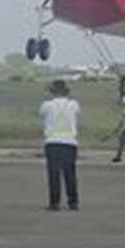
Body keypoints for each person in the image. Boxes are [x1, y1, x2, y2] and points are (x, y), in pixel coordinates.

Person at [39, 79, 81, 211]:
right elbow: (77, 113)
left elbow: (41, 114)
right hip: (70, 143)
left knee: (54, 175)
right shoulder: (74, 105)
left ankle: (54, 203)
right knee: (70, 174)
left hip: (53, 142)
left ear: (52, 91)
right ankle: (73, 202)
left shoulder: (47, 105)